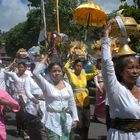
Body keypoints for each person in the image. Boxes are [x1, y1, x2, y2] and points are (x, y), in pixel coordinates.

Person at [101, 22, 140, 140]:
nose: (135, 71)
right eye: (130, 68)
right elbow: (107, 64)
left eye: (137, 68)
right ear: (121, 72)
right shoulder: (115, 89)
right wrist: (106, 37)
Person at [33, 55, 79, 140]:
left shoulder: (67, 85)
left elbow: (72, 102)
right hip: (52, 119)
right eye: (54, 71)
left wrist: (75, 118)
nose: (57, 73)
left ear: (62, 72)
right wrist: (46, 56)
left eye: (59, 71)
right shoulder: (46, 85)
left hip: (66, 119)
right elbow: (35, 73)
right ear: (49, 73)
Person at [64, 58, 97, 140]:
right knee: (78, 124)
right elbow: (65, 67)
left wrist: (92, 63)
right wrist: (71, 59)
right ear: (74, 66)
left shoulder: (84, 76)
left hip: (86, 103)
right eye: (77, 66)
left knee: (87, 124)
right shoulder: (71, 74)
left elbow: (95, 73)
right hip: (76, 103)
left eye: (81, 66)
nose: (79, 67)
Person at [24, 63, 47, 140]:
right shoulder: (28, 78)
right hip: (32, 104)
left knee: (42, 126)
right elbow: (27, 91)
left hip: (44, 103)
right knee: (33, 125)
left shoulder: (45, 78)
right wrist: (33, 98)